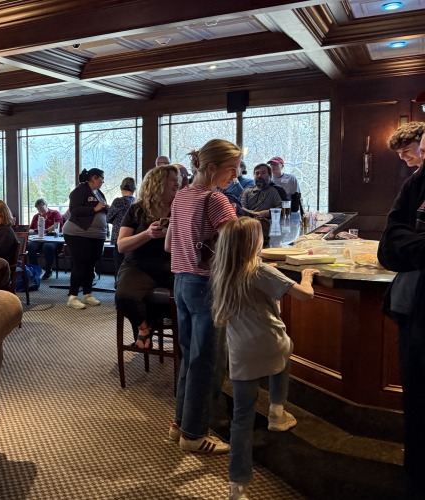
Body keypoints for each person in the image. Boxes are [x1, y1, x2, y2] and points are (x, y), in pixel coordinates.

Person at [211, 217, 318, 500]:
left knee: (242, 417)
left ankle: (238, 485)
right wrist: (307, 276)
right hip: (271, 343)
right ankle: (277, 411)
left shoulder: (222, 271)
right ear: (252, 243)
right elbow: (305, 296)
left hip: (241, 352)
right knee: (286, 348)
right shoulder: (260, 270)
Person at [164, 138, 240, 454]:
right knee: (206, 362)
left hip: (181, 283)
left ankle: (180, 423)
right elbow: (239, 246)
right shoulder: (217, 200)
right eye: (231, 170)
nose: (234, 177)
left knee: (189, 357)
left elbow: (169, 245)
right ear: (211, 168)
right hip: (207, 285)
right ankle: (194, 434)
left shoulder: (181, 196)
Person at [377, 123, 425, 498]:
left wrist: (416, 243)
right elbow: (389, 247)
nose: (413, 159)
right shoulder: (416, 183)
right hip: (415, 312)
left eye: (411, 152)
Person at [115, 165, 178, 349]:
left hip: (171, 266)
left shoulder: (180, 208)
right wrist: (148, 234)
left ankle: (184, 346)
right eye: (172, 180)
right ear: (157, 183)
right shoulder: (137, 210)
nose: (177, 183)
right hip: (139, 265)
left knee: (189, 296)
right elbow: (122, 245)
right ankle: (143, 327)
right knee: (123, 295)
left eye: (177, 180)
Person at [63, 168, 108, 310]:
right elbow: (74, 210)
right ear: (94, 178)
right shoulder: (79, 191)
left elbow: (99, 207)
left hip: (96, 235)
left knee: (91, 264)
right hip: (78, 233)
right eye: (101, 178)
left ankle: (87, 294)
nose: (103, 181)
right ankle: (72, 296)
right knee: (80, 263)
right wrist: (94, 209)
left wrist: (105, 208)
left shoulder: (98, 193)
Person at [27, 198, 63, 280]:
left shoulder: (55, 213)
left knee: (48, 247)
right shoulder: (36, 216)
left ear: (46, 205)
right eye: (38, 209)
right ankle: (36, 269)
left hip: (52, 237)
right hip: (40, 238)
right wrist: (34, 231)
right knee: (30, 246)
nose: (40, 210)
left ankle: (48, 270)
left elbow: (57, 224)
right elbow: (31, 229)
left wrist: (45, 230)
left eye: (41, 208)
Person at [107, 177, 137, 272]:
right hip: (133, 236)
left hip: (118, 236)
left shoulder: (118, 201)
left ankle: (119, 284)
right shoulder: (137, 202)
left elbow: (108, 218)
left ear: (121, 188)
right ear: (134, 189)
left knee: (119, 265)